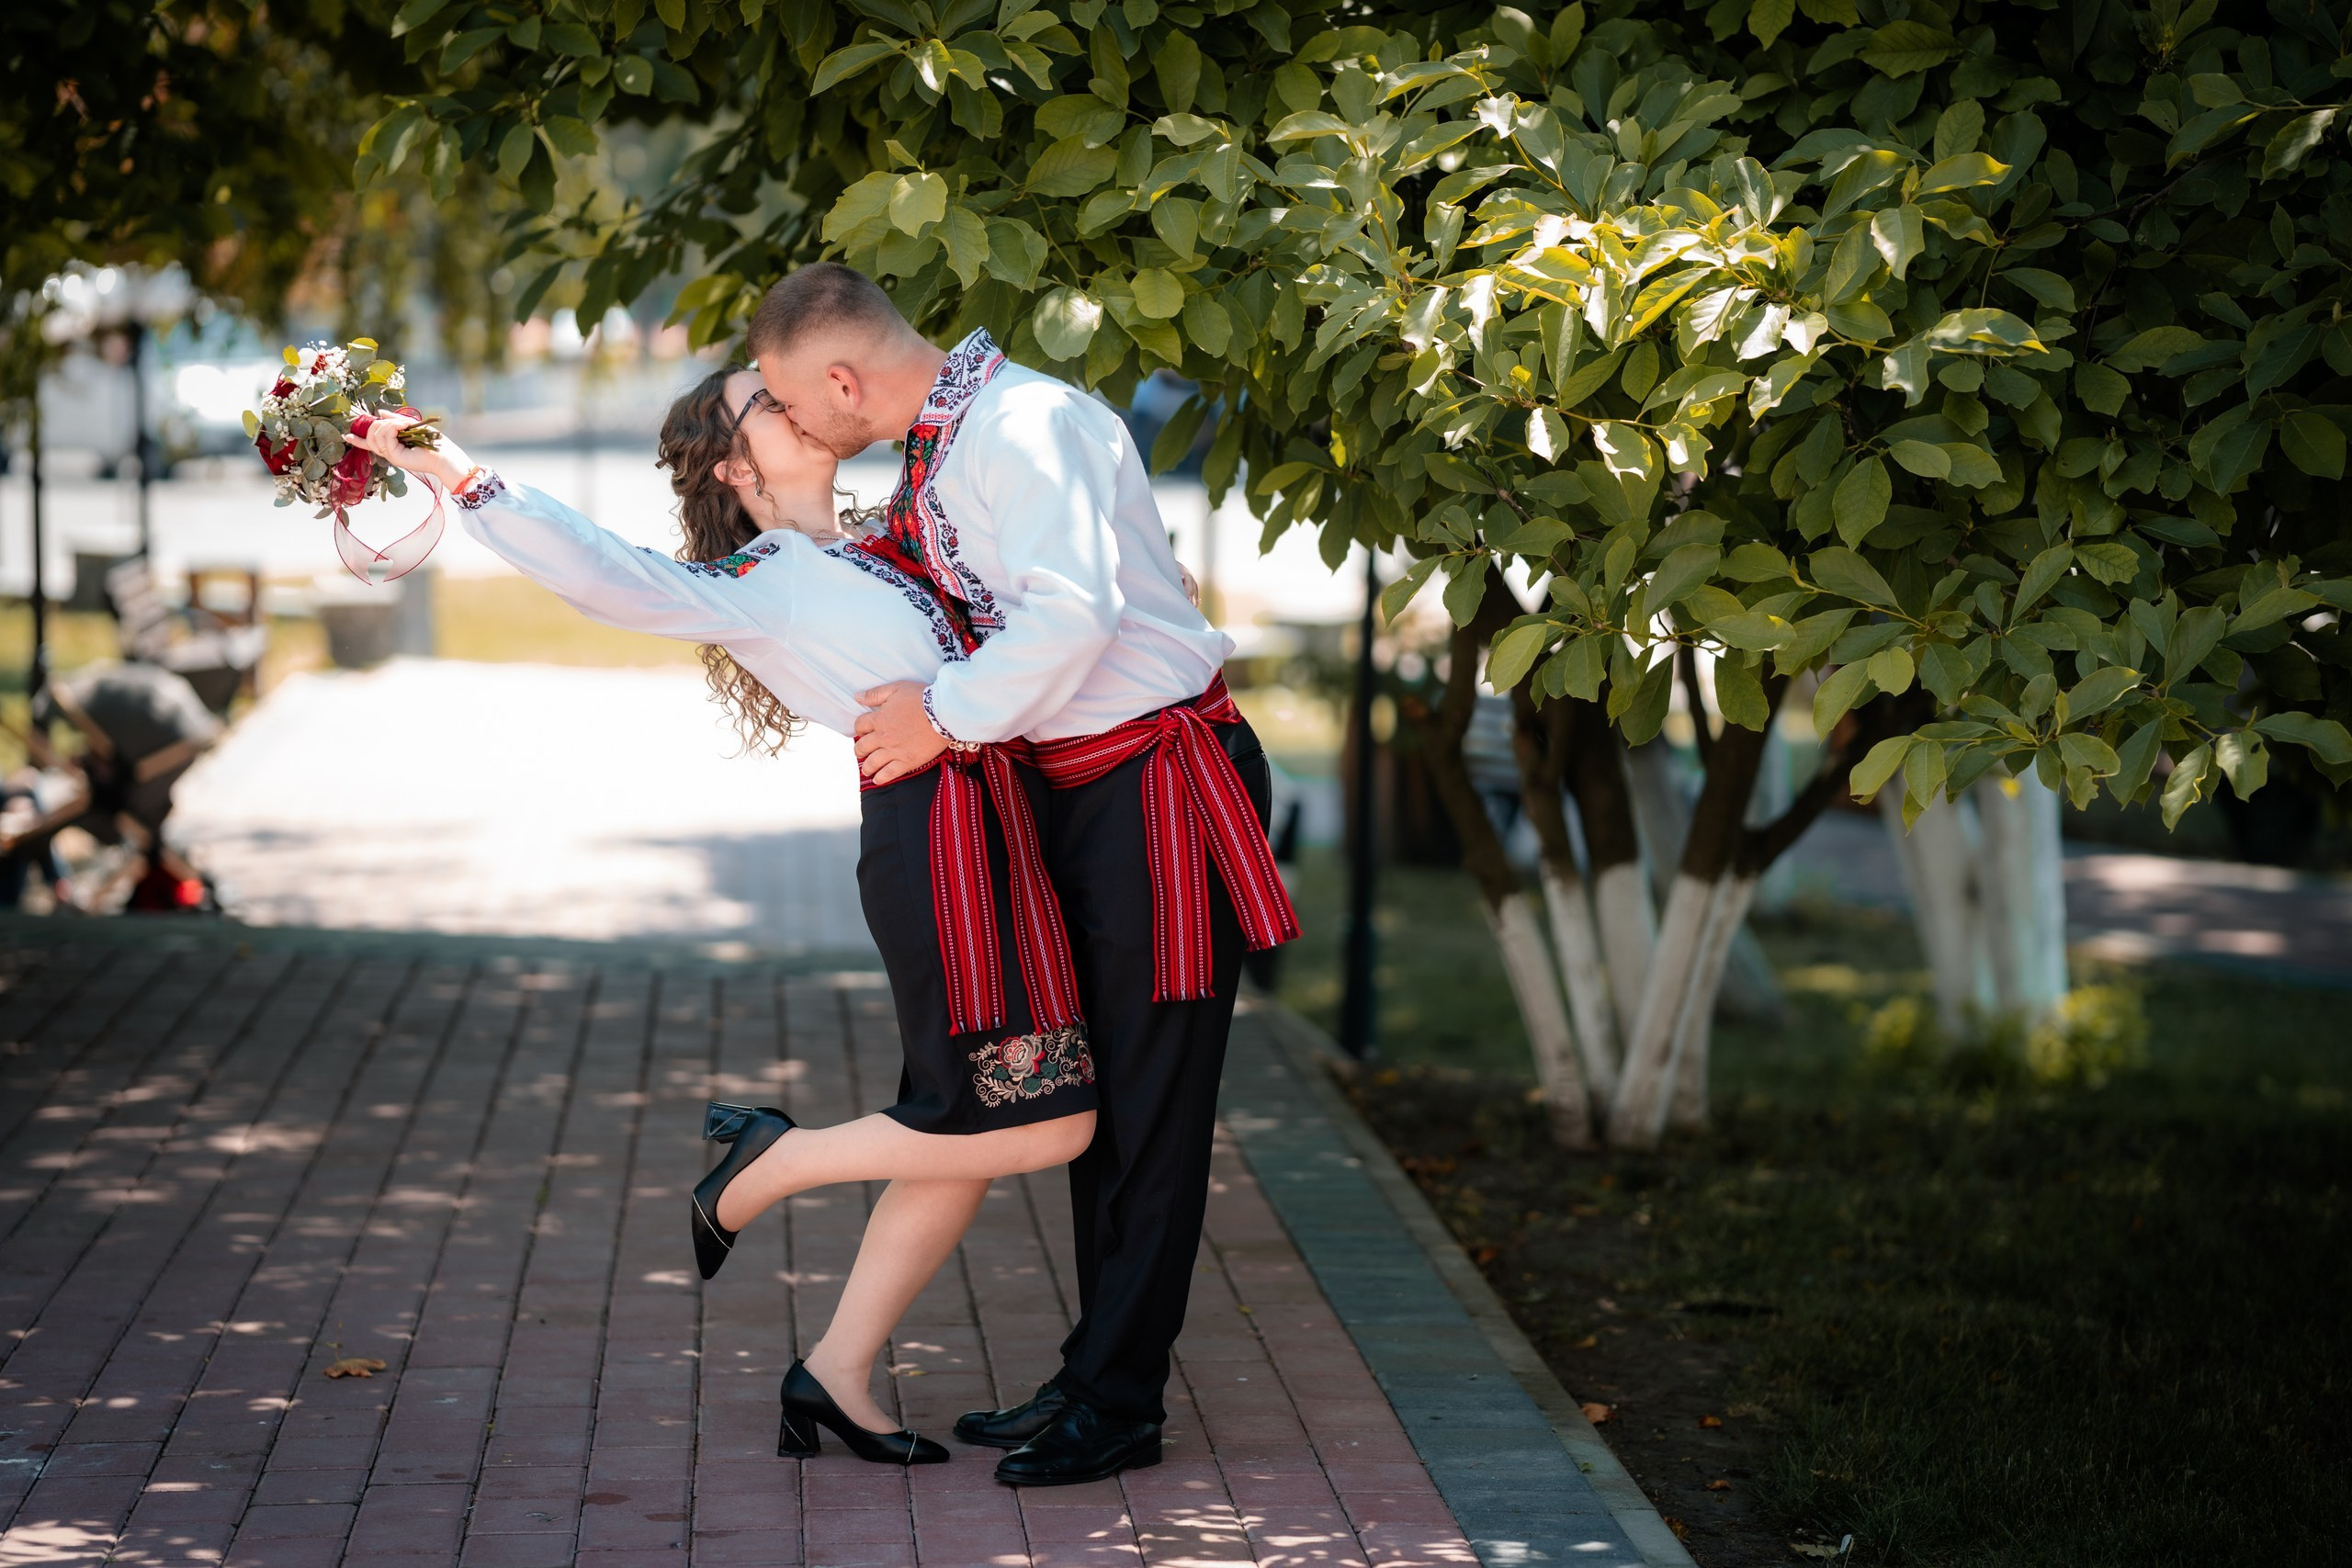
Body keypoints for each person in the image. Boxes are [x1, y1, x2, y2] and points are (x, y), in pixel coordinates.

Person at [346, 370, 1102, 1466]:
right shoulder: (767, 578)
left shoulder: (879, 540)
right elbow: (610, 575)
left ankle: (835, 1373)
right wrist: (462, 477)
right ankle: (770, 1161)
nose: (797, 402)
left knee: (959, 1134)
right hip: (935, 843)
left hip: (994, 831)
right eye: (768, 402)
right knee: (1042, 1122)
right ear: (737, 467)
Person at [744, 263, 1299, 1487]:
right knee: (1100, 1103)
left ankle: (1119, 1403)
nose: (791, 419)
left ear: (843, 379)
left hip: (1155, 784)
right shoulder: (950, 441)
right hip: (1083, 787)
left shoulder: (1024, 423)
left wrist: (943, 713)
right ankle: (1093, 1371)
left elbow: (1074, 613)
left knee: (1150, 1110)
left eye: (788, 399)